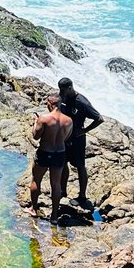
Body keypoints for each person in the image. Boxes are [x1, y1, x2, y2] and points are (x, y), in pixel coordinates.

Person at [58, 77, 103, 207]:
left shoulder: (82, 102)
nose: (61, 93)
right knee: (63, 163)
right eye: (60, 90)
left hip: (77, 140)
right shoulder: (63, 98)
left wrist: (84, 131)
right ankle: (62, 191)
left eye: (63, 90)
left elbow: (99, 118)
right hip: (64, 137)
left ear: (70, 88)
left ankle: (82, 196)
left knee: (80, 166)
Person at [30, 93, 73, 222]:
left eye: (47, 103)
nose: (46, 105)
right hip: (59, 153)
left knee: (36, 180)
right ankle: (54, 216)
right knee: (56, 184)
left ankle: (33, 209)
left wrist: (35, 123)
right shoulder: (69, 120)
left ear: (51, 103)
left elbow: (35, 136)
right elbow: (66, 137)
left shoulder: (43, 119)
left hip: (44, 152)